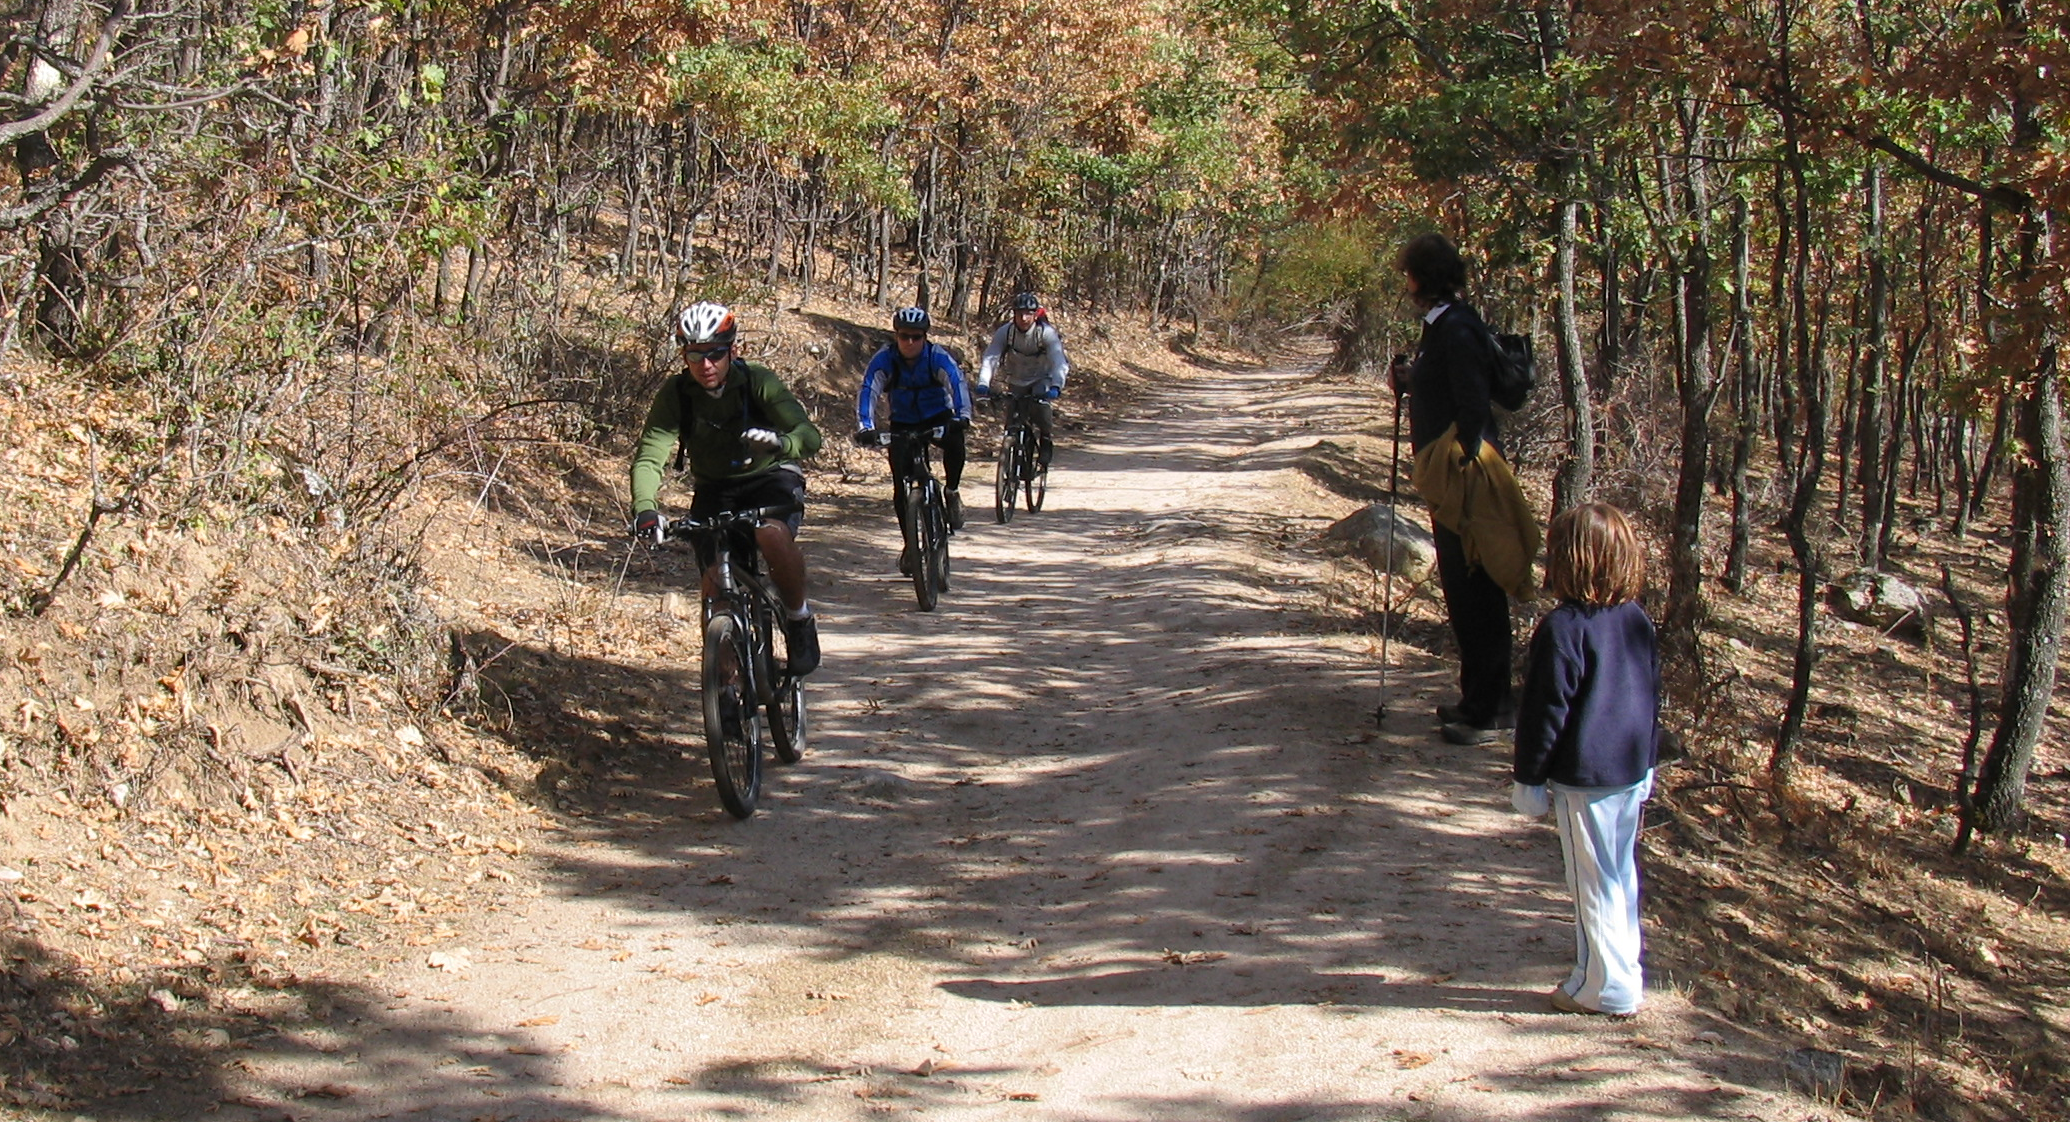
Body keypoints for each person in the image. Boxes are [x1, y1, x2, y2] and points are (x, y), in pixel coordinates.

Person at [1510, 502, 1660, 1017]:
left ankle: (1607, 987)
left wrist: (1529, 777)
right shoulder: (1635, 619)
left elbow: (1545, 710)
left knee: (1593, 882)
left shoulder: (1564, 628)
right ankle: (1605, 974)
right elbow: (1649, 696)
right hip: (1628, 771)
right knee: (1620, 876)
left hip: (1586, 776)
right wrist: (1650, 761)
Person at [630, 302, 824, 674]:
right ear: (684, 355)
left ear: (732, 351)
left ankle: (799, 619)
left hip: (771, 476)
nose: (706, 365)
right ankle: (726, 688)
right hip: (715, 487)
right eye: (695, 355)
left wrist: (781, 444)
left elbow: (808, 436)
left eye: (715, 354)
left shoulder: (757, 381)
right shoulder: (677, 393)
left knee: (770, 533)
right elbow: (650, 456)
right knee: (714, 589)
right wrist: (646, 509)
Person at [1396, 232, 1517, 745]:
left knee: (1477, 588)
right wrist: (1410, 378)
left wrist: (1462, 469)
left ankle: (1490, 710)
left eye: (1409, 275)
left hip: (1466, 478)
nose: (1406, 284)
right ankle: (1476, 700)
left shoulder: (1459, 327)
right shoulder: (1445, 325)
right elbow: (1445, 387)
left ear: (1422, 278)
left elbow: (1471, 405)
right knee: (1463, 590)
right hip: (1453, 474)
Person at [856, 306, 974, 569]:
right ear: (896, 336)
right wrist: (866, 427)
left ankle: (952, 491)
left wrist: (962, 416)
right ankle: (910, 544)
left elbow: (956, 383)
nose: (910, 342)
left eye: (916, 337)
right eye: (904, 336)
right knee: (901, 487)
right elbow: (868, 390)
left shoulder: (937, 357)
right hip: (903, 422)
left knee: (955, 444)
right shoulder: (885, 360)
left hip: (938, 416)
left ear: (925, 337)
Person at [976, 292, 1069, 467]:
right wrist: (983, 383)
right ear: (1014, 314)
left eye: (1028, 314)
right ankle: (1011, 457)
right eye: (1019, 313)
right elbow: (991, 357)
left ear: (1035, 315)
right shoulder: (1006, 332)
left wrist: (1057, 385)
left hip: (1041, 379)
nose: (1024, 318)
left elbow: (1059, 361)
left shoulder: (1046, 333)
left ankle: (1046, 439)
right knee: (1012, 420)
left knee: (1041, 407)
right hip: (1016, 380)